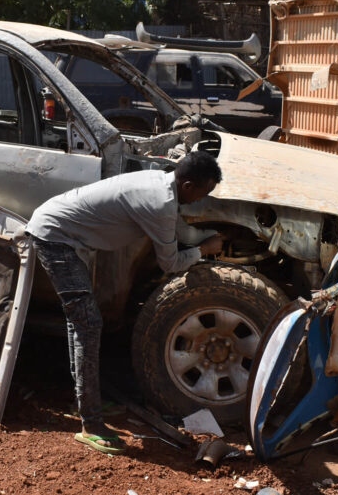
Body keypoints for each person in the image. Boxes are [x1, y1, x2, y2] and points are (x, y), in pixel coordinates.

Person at [25, 151, 225, 455]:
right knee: (88, 323)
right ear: (187, 185)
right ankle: (90, 424)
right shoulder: (160, 203)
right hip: (56, 237)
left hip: (63, 232)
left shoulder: (162, 184)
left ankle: (82, 400)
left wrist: (201, 238)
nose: (202, 200)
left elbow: (176, 230)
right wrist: (204, 249)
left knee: (80, 322)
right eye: (203, 192)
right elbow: (170, 263)